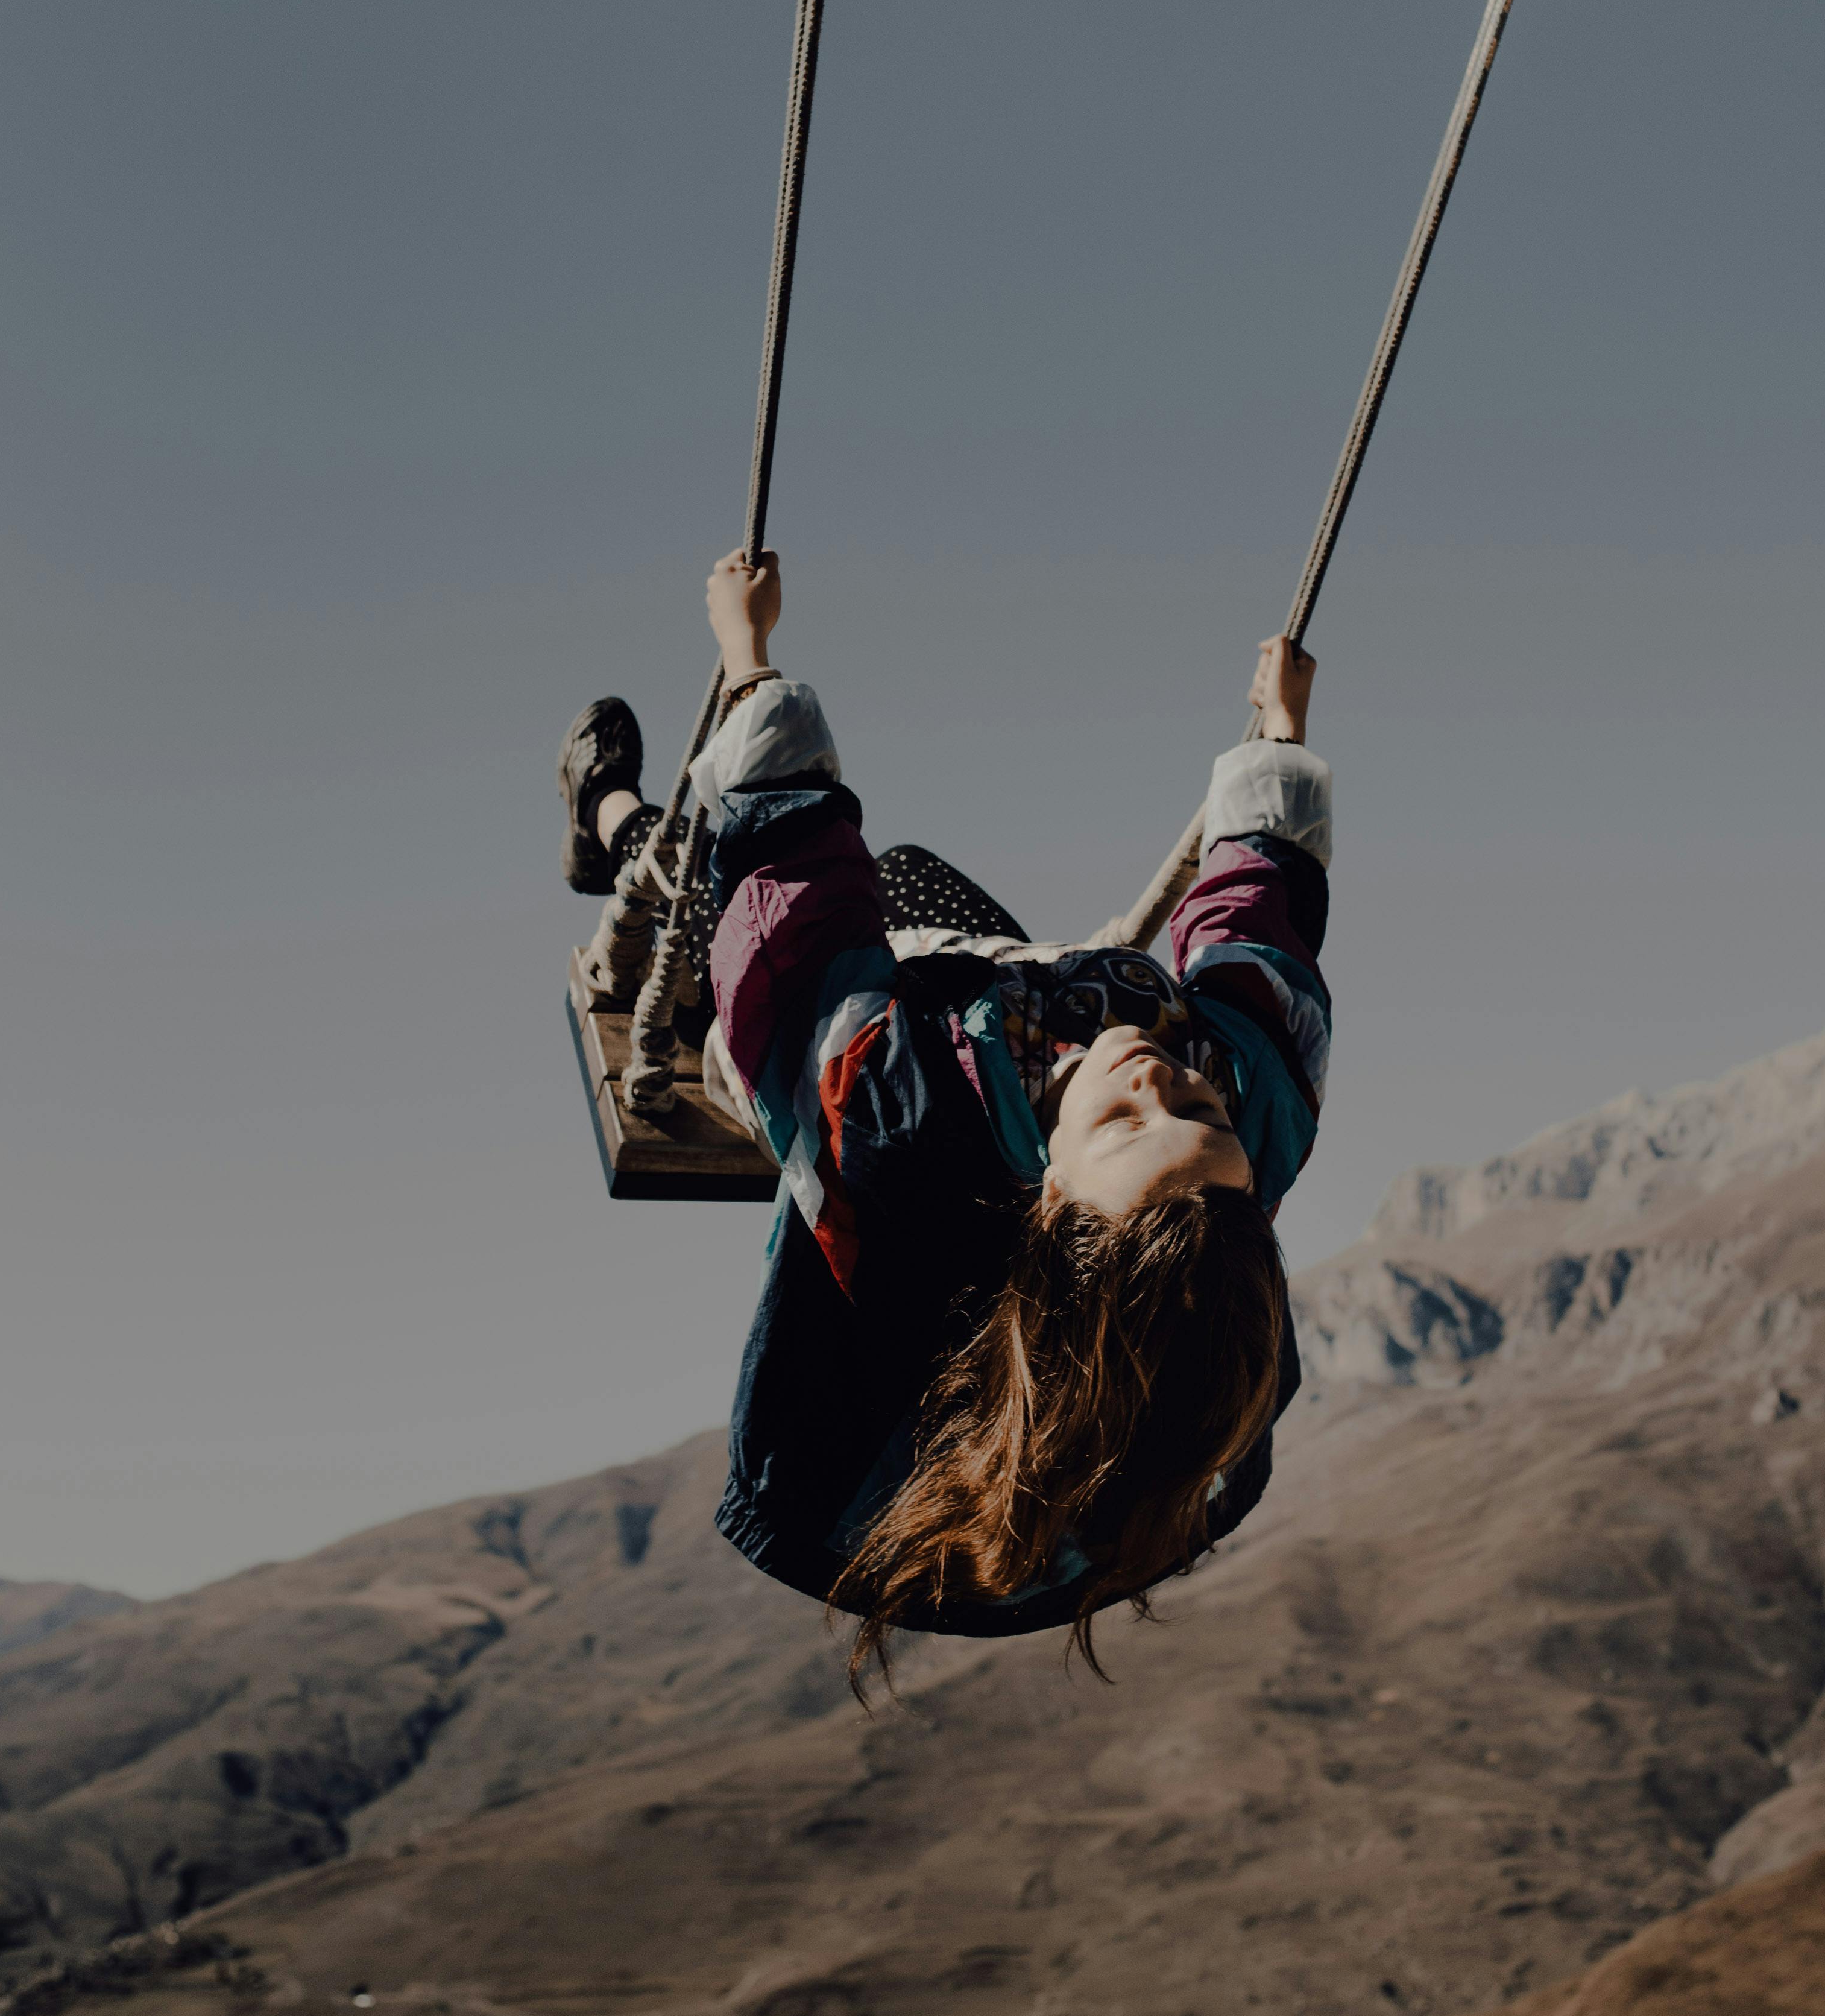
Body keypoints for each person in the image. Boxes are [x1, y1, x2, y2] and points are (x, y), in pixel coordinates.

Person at [557, 549, 1332, 1679]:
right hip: (996, 981)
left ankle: (605, 816)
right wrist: (1276, 748)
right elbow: (1261, 937)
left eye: (1128, 1120)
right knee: (912, 872)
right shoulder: (1245, 1122)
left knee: (715, 898)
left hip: (835, 1015)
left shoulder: (888, 1109)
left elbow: (796, 911)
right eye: (1196, 1101)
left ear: (1056, 1199)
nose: (1151, 1070)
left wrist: (748, 663)